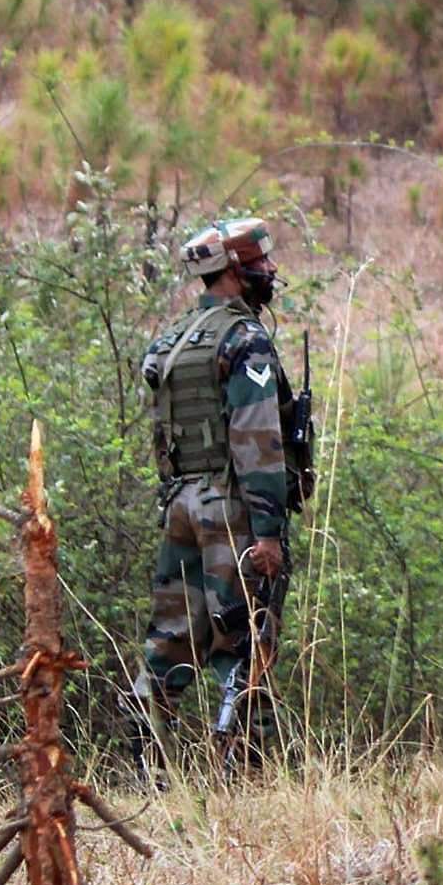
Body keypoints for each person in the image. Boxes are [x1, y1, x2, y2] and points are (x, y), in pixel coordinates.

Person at [130, 216, 297, 769]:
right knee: (246, 637)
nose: (269, 269)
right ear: (231, 271)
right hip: (231, 509)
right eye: (257, 261)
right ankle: (242, 771)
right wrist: (268, 532)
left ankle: (147, 766)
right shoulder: (244, 339)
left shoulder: (173, 341)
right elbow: (258, 441)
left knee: (170, 641)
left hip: (181, 502)